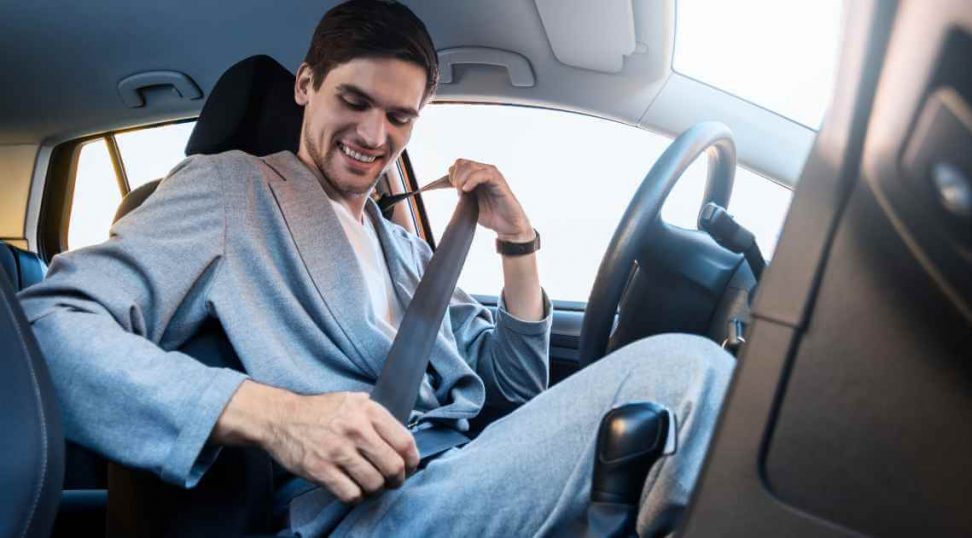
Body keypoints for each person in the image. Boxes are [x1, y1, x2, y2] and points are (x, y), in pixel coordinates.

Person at [19, 1, 734, 535]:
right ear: (306, 85)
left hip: (461, 470)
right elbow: (48, 325)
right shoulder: (231, 191)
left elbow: (513, 390)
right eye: (353, 101)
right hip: (362, 509)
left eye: (400, 118)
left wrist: (519, 247)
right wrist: (274, 416)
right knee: (684, 376)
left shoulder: (404, 246)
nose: (373, 135)